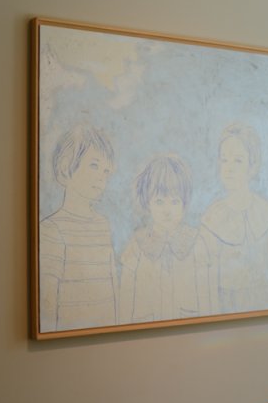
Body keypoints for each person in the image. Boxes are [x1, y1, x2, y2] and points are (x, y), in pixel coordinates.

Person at [39, 124, 117, 332]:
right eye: (94, 166)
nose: (101, 177)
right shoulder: (51, 229)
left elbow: (113, 287)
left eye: (106, 171)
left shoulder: (103, 225)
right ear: (65, 169)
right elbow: (47, 301)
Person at [119, 154, 211, 324]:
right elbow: (125, 297)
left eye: (175, 202)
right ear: (148, 203)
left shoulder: (196, 242)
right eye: (160, 202)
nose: (167, 210)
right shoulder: (137, 244)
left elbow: (206, 297)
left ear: (184, 204)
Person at [201, 123, 268, 313]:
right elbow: (207, 284)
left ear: (252, 166)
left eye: (238, 161)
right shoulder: (212, 218)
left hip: (264, 310)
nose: (229, 168)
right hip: (226, 311)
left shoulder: (265, 212)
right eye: (224, 160)